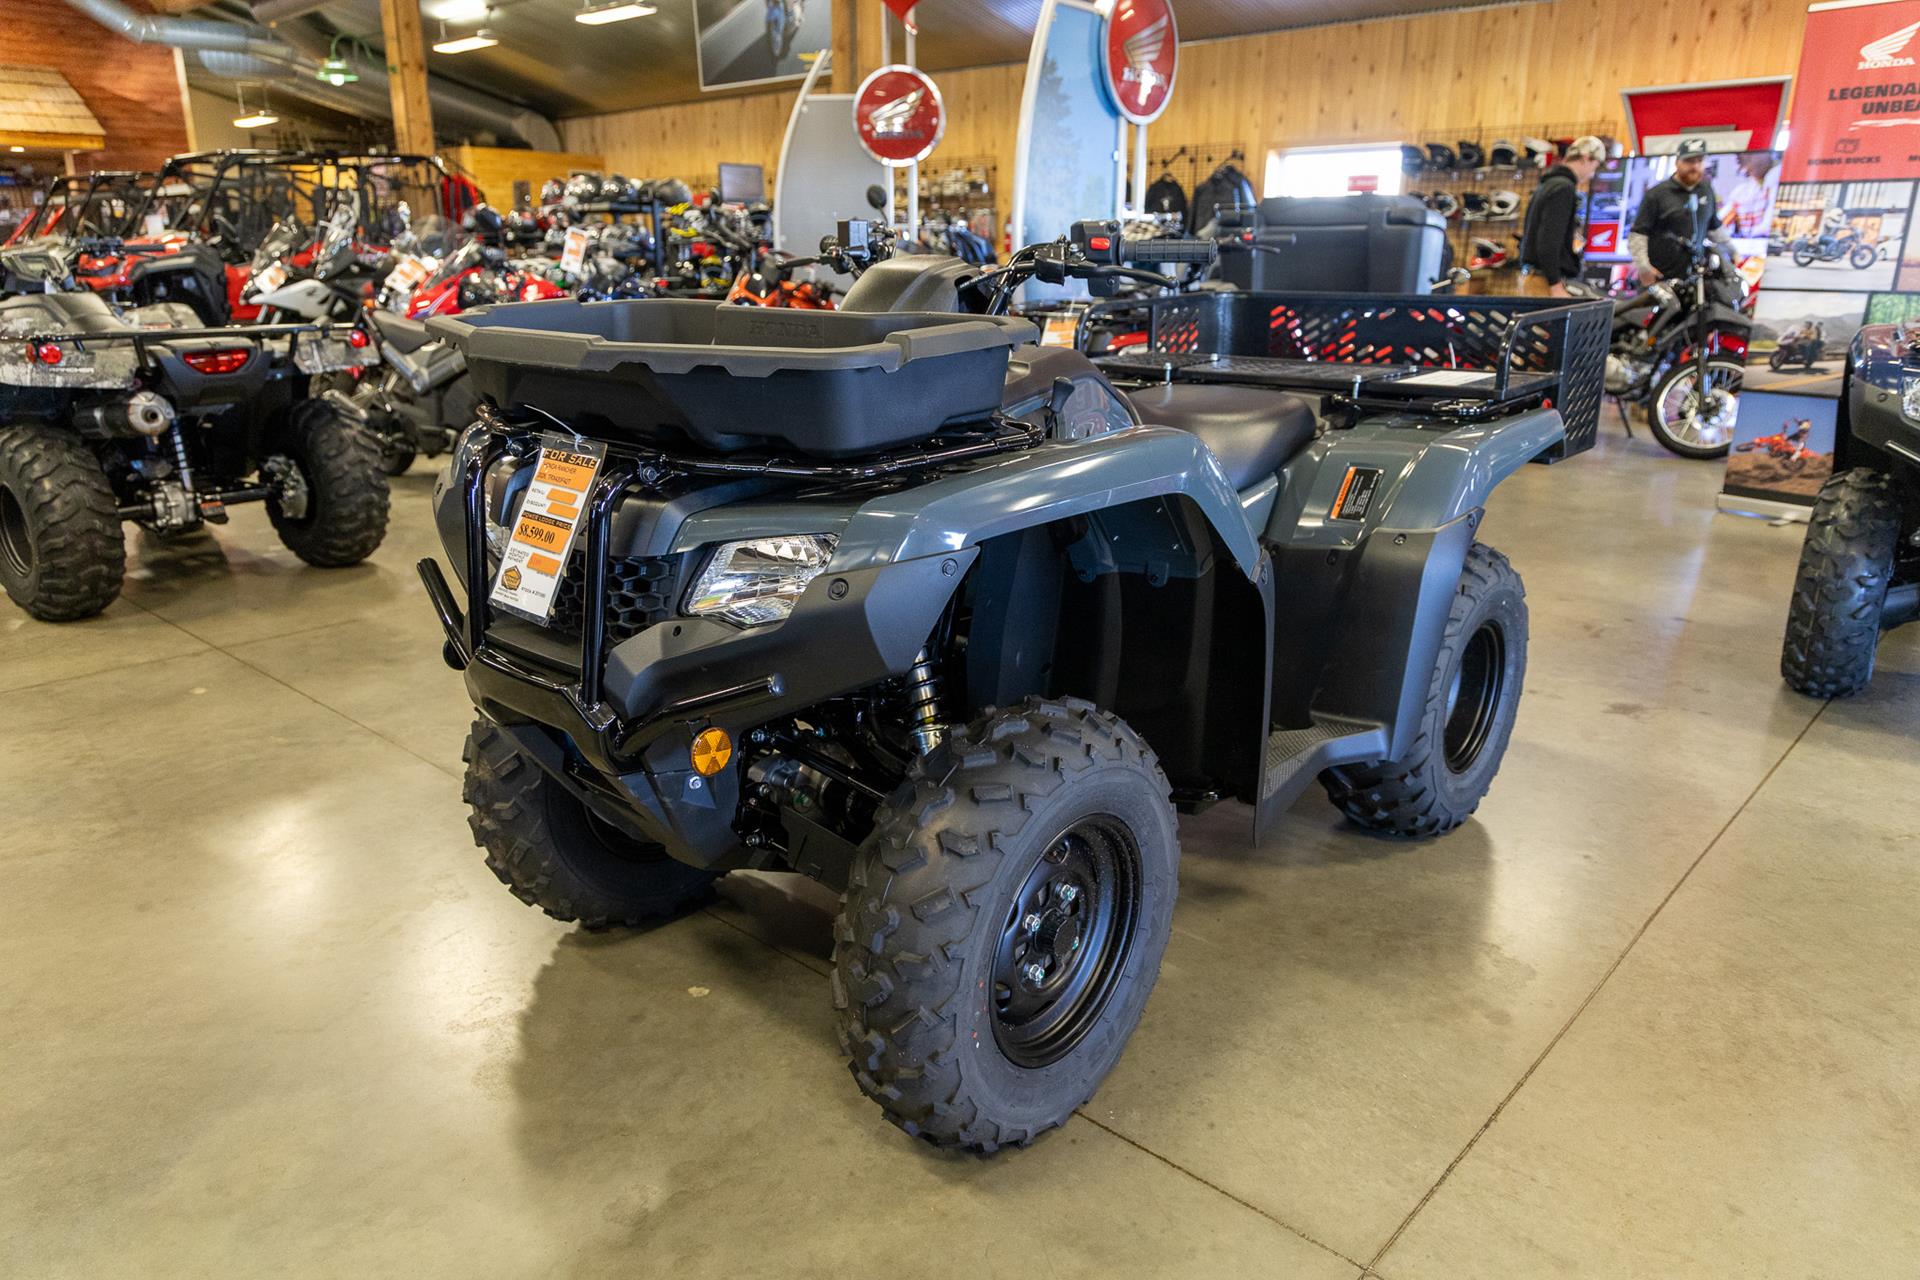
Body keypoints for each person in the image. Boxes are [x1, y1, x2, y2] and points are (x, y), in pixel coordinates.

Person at [1630, 137, 1734, 285]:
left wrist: (1734, 253)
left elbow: (1714, 228)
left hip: (1695, 278)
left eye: (1699, 161)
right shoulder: (1657, 194)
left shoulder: (1707, 190)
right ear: (1677, 162)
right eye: (1689, 161)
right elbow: (1638, 234)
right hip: (1660, 278)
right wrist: (1643, 267)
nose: (1695, 166)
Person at [1517, 135, 1607, 297]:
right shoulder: (1563, 188)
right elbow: (1549, 240)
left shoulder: (1550, 183)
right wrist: (1555, 284)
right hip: (1543, 281)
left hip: (1536, 276)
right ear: (1586, 159)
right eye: (1595, 165)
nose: (1593, 173)